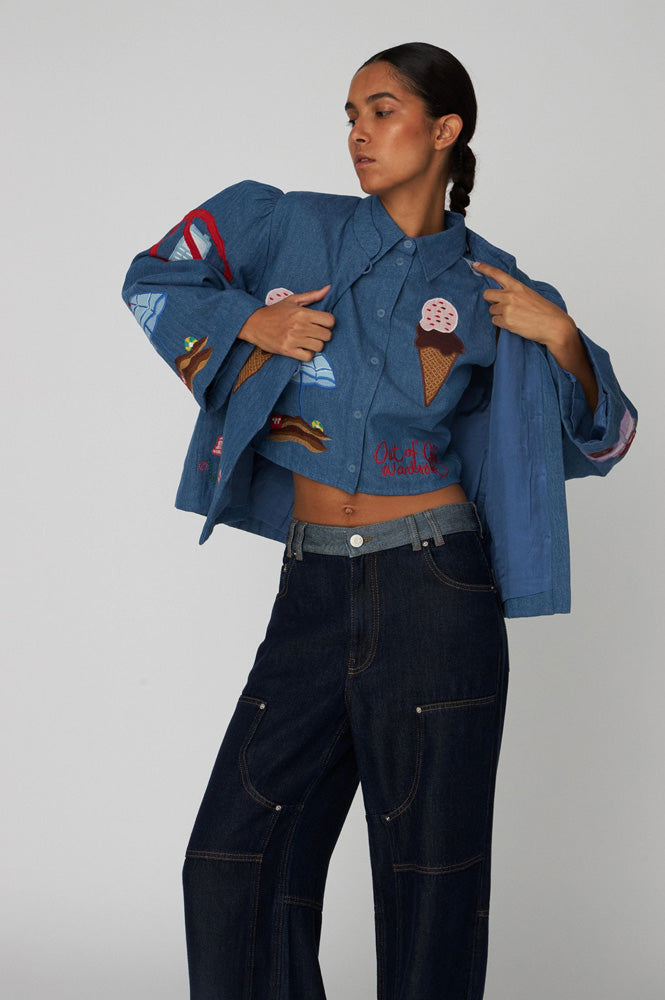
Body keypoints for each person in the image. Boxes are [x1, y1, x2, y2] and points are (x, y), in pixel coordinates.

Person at [121, 42, 637, 1000]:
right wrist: (249, 322)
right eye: (351, 115)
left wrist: (563, 338)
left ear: (444, 130)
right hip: (312, 587)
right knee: (231, 863)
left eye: (382, 111)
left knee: (430, 887)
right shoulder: (287, 225)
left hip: (435, 591)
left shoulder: (494, 288)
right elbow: (153, 276)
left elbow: (604, 439)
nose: (358, 133)